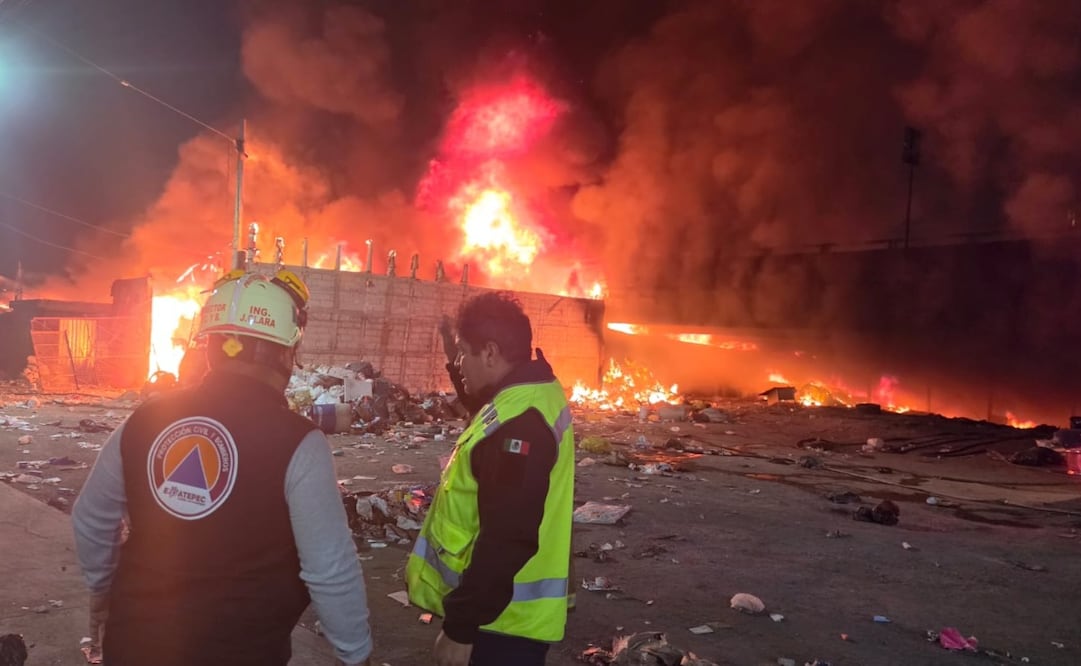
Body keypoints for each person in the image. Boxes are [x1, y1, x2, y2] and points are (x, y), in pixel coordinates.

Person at [72, 270, 373, 666]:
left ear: (210, 348)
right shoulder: (299, 442)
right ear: (286, 352)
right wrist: (356, 655)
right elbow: (329, 568)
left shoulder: (144, 420)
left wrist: (103, 592)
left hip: (134, 646)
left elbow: (90, 518)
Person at [408, 292, 576, 666]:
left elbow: (508, 535)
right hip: (503, 616)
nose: (461, 363)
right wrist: (455, 363)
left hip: (503, 625)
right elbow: (485, 412)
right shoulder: (528, 393)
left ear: (490, 352)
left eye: (465, 353)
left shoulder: (521, 428)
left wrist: (461, 628)